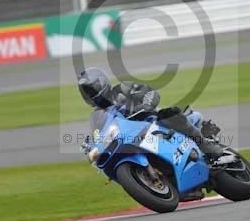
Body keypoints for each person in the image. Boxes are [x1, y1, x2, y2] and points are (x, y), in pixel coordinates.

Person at [77, 67, 223, 159]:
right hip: (132, 139)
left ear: (102, 83)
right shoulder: (100, 114)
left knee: (170, 114)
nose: (91, 95)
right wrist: (91, 144)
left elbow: (151, 92)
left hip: (152, 122)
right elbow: (100, 132)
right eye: (86, 93)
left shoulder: (122, 88)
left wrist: (146, 105)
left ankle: (204, 145)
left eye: (92, 89)